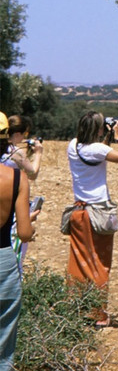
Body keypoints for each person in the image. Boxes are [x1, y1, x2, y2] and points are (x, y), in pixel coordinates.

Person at [66, 111, 118, 326]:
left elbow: (97, 150)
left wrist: (104, 135)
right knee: (100, 263)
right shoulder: (98, 149)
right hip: (98, 213)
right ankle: (98, 314)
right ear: (97, 128)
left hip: (78, 212)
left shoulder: (73, 145)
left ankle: (77, 309)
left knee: (78, 261)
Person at [0, 114, 35, 371]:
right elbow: (24, 233)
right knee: (2, 354)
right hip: (3, 264)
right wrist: (30, 218)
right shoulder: (15, 178)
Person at [1, 115, 42, 272]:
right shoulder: (17, 153)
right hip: (12, 201)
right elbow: (32, 173)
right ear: (18, 134)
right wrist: (38, 153)